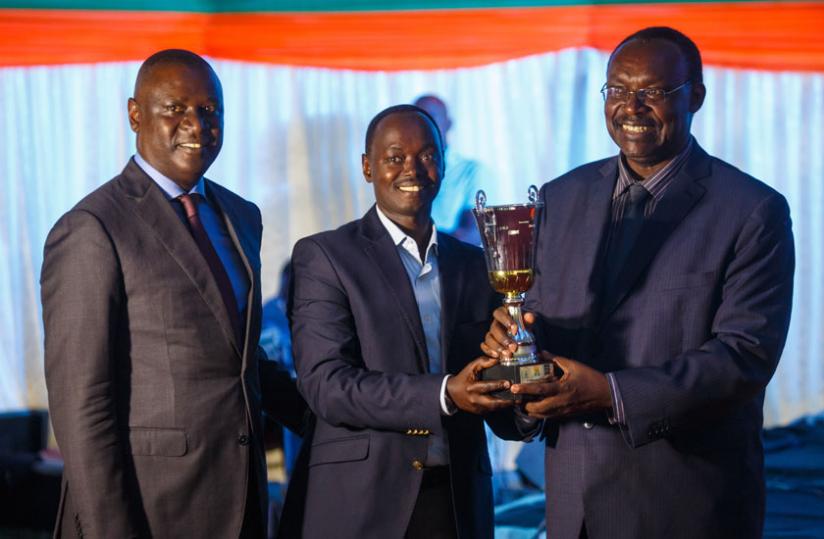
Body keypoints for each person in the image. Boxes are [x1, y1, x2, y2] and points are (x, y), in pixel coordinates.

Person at [483, 27, 794, 538]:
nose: (632, 106)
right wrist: (513, 351)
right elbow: (539, 325)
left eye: (653, 91)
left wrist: (610, 395)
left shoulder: (751, 210)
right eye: (618, 90)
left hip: (683, 507)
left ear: (695, 95)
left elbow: (743, 357)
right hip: (571, 507)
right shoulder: (559, 198)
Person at [41, 49, 306, 538]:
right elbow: (83, 404)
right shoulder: (92, 227)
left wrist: (343, 419)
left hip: (241, 502)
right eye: (176, 109)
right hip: (146, 510)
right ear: (135, 114)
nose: (196, 124)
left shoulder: (240, 216)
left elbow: (240, 361)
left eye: (209, 110)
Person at [283, 104, 526, 538]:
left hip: (458, 500)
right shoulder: (326, 256)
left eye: (427, 155)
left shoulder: (476, 265)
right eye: (395, 156)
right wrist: (444, 394)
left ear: (444, 163)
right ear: (367, 166)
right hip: (362, 501)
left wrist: (526, 386)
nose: (412, 168)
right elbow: (326, 385)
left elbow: (490, 383)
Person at [414, 95, 492, 233]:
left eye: (431, 117)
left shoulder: (471, 171)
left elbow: (474, 232)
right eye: (417, 120)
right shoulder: (403, 171)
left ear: (449, 123)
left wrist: (429, 250)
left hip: (449, 253)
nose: (423, 125)